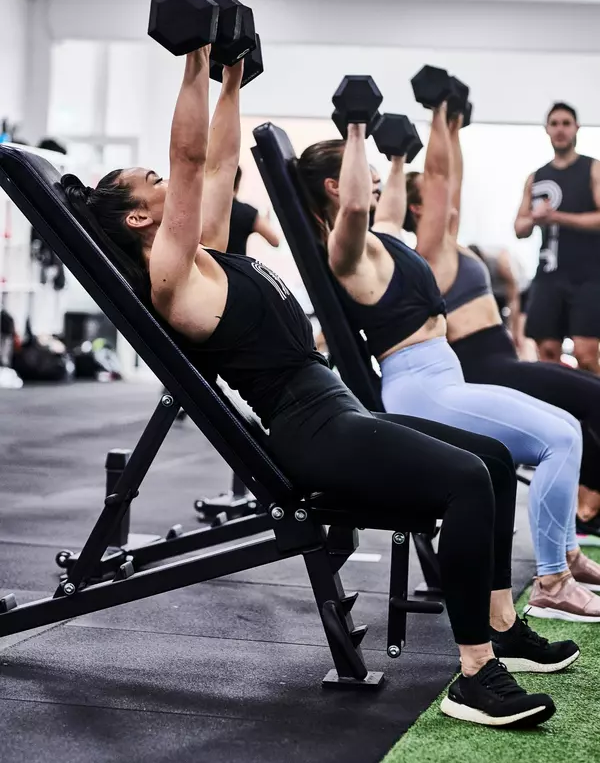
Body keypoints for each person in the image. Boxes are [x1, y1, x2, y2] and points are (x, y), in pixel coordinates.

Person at [60, 46, 572, 730]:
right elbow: (188, 160)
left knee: (496, 460)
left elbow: (215, 163)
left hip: (334, 406)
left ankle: (502, 625)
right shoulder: (173, 280)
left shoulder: (209, 254)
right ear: (137, 219)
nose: (169, 179)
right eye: (151, 181)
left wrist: (230, 79)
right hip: (311, 430)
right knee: (467, 481)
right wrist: (195, 60)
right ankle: (476, 673)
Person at [296, 104, 600, 624]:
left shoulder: (382, 236)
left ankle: (566, 556)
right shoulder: (347, 251)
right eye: (363, 170)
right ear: (334, 186)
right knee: (560, 440)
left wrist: (402, 155)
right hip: (421, 387)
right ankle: (552, 583)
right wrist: (356, 128)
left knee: (568, 426)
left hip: (443, 376)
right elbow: (355, 206)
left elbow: (428, 184)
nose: (374, 179)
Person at [404, 107, 600, 549]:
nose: (449, 199)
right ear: (418, 208)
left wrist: (452, 127)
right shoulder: (430, 251)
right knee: (591, 399)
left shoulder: (450, 242)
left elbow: (450, 180)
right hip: (485, 368)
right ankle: (588, 507)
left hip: (502, 360)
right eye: (435, 196)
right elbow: (443, 178)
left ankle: (587, 505)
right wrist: (438, 118)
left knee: (585, 402)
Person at [515, 103, 600, 373]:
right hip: (549, 275)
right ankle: (557, 402)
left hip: (588, 276)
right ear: (547, 129)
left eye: (566, 123)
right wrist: (535, 219)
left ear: (576, 128)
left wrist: (557, 217)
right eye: (554, 124)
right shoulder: (536, 177)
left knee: (586, 354)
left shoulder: (593, 169)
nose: (560, 129)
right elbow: (519, 227)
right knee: (548, 355)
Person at [226, 166, 280, 255]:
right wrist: (266, 222)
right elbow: (275, 241)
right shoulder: (246, 212)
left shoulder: (206, 208)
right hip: (234, 263)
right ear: (237, 185)